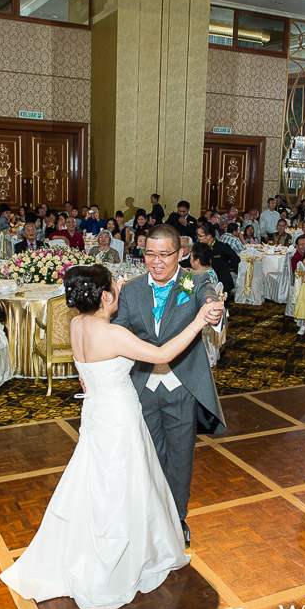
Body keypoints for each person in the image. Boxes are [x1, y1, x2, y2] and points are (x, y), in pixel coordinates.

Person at [1, 264, 219, 609]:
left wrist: (159, 275)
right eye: (114, 287)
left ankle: (85, 547)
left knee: (94, 479)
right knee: (123, 484)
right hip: (118, 416)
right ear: (104, 296)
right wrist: (198, 322)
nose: (120, 289)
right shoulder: (112, 334)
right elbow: (162, 355)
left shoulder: (77, 324)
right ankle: (117, 559)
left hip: (95, 414)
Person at [108, 224, 225, 547]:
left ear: (180, 254)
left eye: (164, 255)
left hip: (181, 385)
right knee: (146, 457)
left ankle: (177, 519)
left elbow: (208, 297)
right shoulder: (131, 289)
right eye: (149, 254)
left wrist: (213, 311)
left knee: (179, 457)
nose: (156, 262)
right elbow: (117, 331)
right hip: (142, 386)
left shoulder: (191, 280)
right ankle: (149, 518)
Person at [197, 224, 240, 302]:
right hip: (207, 282)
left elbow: (236, 259)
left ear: (209, 236)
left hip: (223, 282)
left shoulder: (222, 247)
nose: (198, 238)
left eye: (200, 236)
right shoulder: (201, 248)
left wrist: (227, 267)